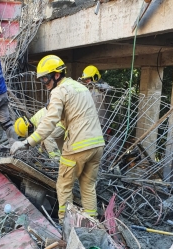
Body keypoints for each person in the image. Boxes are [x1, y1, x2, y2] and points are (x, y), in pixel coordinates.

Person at [10, 55, 105, 223]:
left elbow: (49, 122)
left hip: (78, 146)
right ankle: (93, 224)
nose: (44, 83)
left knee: (63, 187)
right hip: (97, 145)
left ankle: (64, 224)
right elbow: (65, 123)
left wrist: (27, 143)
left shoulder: (59, 91)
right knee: (88, 186)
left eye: (46, 78)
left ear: (56, 74)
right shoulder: (80, 87)